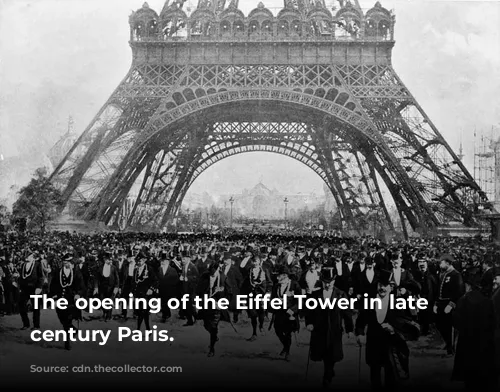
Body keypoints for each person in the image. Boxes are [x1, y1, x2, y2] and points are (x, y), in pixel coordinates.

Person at [355, 269, 420, 392]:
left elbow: (406, 323)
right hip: (373, 344)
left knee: (391, 376)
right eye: (380, 285)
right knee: (375, 375)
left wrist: (393, 329)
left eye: (385, 286)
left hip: (391, 346)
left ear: (391, 287)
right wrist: (359, 333)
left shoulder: (398, 303)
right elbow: (360, 321)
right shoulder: (369, 301)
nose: (382, 288)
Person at [305, 267, 354, 388]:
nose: (327, 284)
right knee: (321, 352)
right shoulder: (316, 294)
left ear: (334, 280)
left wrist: (349, 329)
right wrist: (309, 323)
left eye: (330, 281)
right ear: (321, 281)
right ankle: (329, 370)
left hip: (335, 328)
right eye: (325, 281)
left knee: (331, 353)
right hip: (319, 329)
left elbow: (347, 313)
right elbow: (309, 311)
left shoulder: (341, 294)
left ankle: (327, 374)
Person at [451, 270, 496, 391]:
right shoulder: (488, 301)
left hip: (467, 340)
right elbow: (493, 322)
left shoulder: (463, 300)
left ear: (468, 285)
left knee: (468, 374)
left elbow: (456, 321)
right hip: (484, 341)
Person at [49, 253, 85, 350]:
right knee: (62, 319)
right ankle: (73, 330)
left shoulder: (77, 272)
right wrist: (54, 296)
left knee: (68, 319)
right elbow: (53, 285)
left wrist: (78, 294)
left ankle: (67, 341)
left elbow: (81, 286)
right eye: (65, 262)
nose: (67, 264)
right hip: (60, 299)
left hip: (71, 300)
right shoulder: (58, 272)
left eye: (68, 262)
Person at [196, 261, 231, 357]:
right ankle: (214, 336)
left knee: (213, 326)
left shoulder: (223, 277)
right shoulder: (204, 277)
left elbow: (229, 292)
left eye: (214, 273)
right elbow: (198, 290)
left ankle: (212, 348)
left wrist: (223, 303)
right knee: (206, 325)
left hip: (217, 306)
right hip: (206, 304)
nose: (212, 275)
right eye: (211, 273)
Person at [434, 254, 465, 355]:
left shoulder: (456, 274)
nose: (439, 265)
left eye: (441, 263)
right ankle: (448, 342)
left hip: (450, 303)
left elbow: (459, 291)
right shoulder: (442, 273)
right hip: (441, 302)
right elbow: (438, 289)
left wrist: (451, 304)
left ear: (447, 263)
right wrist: (436, 303)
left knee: (449, 327)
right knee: (439, 324)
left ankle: (450, 348)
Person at [270, 265, 301, 360]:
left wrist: (293, 310)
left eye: (279, 275)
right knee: (277, 330)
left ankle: (287, 351)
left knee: (288, 332)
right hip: (279, 313)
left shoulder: (294, 285)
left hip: (289, 313)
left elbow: (300, 300)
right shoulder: (276, 286)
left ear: (285, 275)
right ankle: (285, 346)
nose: (277, 277)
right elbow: (272, 299)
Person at [18, 252, 44, 330]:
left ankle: (36, 325)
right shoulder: (23, 265)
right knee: (21, 305)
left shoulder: (37, 264)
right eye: (26, 256)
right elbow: (21, 277)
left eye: (28, 256)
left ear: (32, 257)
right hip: (25, 289)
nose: (26, 257)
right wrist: (20, 286)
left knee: (36, 308)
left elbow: (41, 277)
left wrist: (39, 287)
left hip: (34, 288)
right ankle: (26, 324)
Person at [132, 251, 157, 331]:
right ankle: (147, 329)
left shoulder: (149, 269)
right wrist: (133, 293)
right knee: (141, 312)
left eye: (141, 260)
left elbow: (155, 281)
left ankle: (139, 328)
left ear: (144, 260)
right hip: (138, 294)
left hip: (146, 294)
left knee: (143, 311)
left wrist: (151, 289)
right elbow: (134, 282)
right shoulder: (136, 270)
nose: (139, 262)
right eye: (138, 261)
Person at [156, 252, 179, 322]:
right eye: (162, 261)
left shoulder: (172, 270)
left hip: (169, 289)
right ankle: (165, 315)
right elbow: (157, 279)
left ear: (168, 261)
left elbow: (176, 281)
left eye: (165, 261)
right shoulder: (159, 269)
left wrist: (173, 290)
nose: (163, 262)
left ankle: (167, 314)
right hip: (161, 289)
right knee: (163, 303)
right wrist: (157, 287)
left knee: (166, 303)